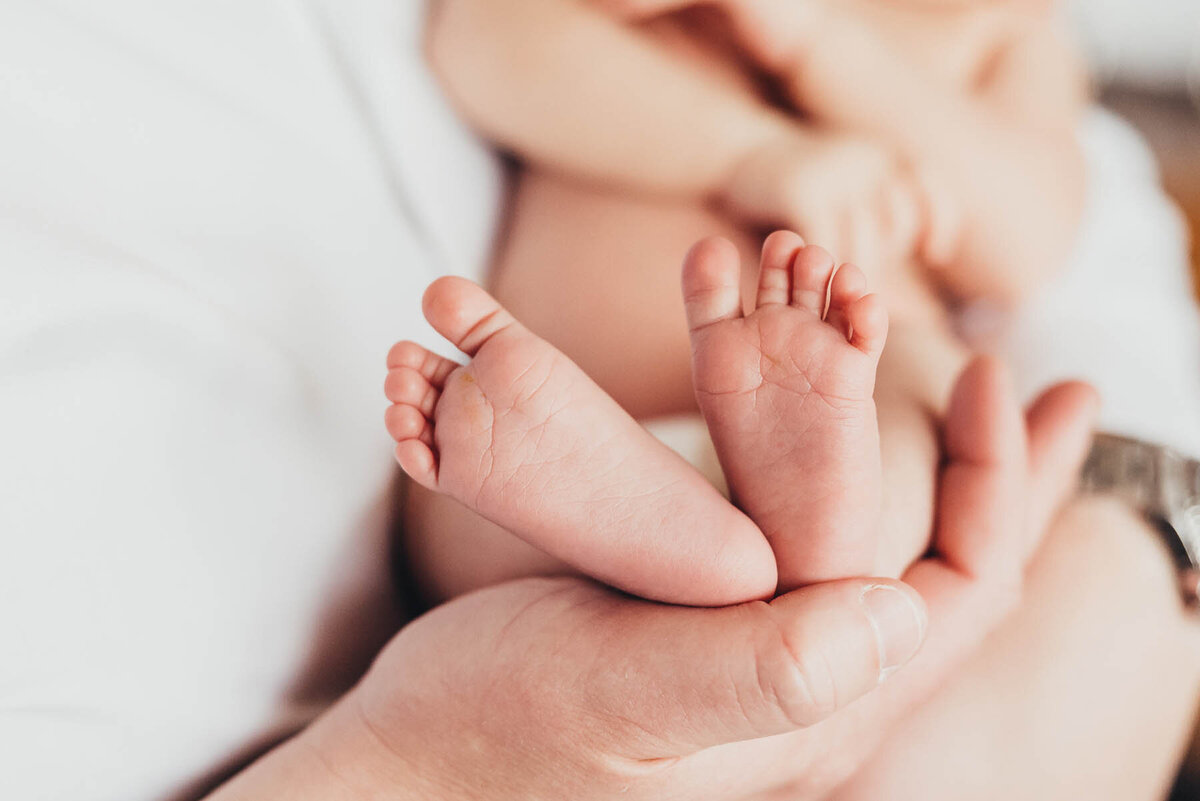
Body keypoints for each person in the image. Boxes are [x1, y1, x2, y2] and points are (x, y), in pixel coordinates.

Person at [213, 356, 1097, 799]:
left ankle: (679, 532)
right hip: (800, 444)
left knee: (462, 529)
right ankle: (795, 546)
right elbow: (1024, 215)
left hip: (540, 517)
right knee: (903, 440)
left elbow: (1029, 210)